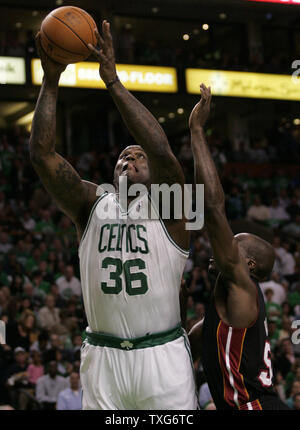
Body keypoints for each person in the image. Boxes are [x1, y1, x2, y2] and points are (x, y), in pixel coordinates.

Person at [30, 20, 197, 410]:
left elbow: (165, 156)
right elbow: (42, 156)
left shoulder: (172, 205)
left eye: (139, 155)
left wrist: (113, 83)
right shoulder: (91, 205)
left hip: (161, 354)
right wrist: (51, 80)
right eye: (124, 154)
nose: (131, 158)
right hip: (102, 356)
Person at [187, 83, 289, 410]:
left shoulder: (243, 287)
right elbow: (196, 338)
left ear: (249, 267)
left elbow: (214, 209)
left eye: (235, 246)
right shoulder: (229, 305)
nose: (224, 248)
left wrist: (197, 131)